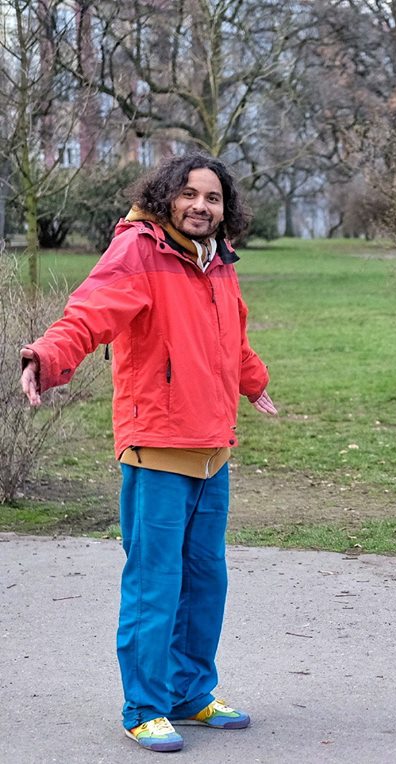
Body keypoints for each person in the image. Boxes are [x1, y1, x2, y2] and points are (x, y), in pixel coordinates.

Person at [19, 152, 278, 751]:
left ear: (224, 209)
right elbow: (88, 314)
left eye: (212, 198)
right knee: (154, 583)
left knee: (205, 580)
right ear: (167, 197)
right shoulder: (139, 250)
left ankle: (190, 694)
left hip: (213, 446)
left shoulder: (219, 262)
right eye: (189, 194)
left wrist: (254, 381)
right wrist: (48, 357)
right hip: (156, 444)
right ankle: (144, 705)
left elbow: (230, 337)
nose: (200, 206)